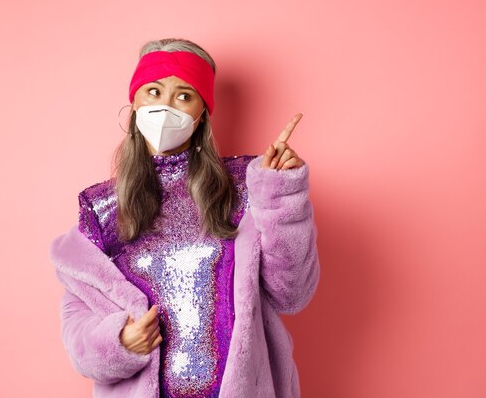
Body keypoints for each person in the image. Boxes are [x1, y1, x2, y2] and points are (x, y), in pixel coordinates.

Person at [49, 38, 320, 398]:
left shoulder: (243, 187)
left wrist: (281, 193)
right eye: (154, 91)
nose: (165, 106)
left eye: (183, 95)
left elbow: (292, 295)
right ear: (134, 104)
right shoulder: (102, 210)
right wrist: (119, 343)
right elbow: (77, 327)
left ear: (201, 113)